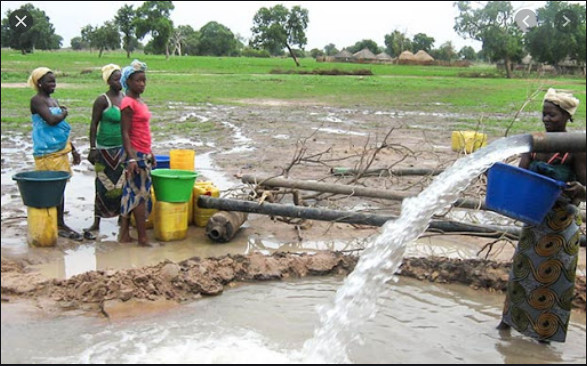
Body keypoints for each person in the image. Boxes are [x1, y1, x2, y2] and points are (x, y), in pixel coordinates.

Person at [497, 88, 586, 343]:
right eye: (544, 115)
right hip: (535, 219)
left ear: (568, 117)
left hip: (561, 224)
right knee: (521, 274)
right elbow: (520, 175)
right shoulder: (536, 143)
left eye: (553, 116)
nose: (546, 120)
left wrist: (580, 190)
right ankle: (507, 324)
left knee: (552, 281)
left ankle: (543, 337)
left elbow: (585, 188)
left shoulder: (576, 148)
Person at [28, 67, 83, 241]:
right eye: (49, 81)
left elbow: (62, 130)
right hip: (46, 152)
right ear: (39, 83)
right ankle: (49, 222)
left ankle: (59, 222)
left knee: (60, 188)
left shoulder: (53, 100)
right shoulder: (37, 101)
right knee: (49, 189)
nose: (53, 84)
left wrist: (73, 150)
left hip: (60, 151)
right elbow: (52, 121)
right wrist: (65, 112)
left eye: (54, 81)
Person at [84, 64, 124, 240]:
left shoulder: (124, 98)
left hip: (121, 149)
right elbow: (93, 124)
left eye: (121, 77)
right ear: (108, 81)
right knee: (102, 185)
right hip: (104, 149)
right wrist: (92, 148)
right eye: (115, 78)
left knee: (122, 185)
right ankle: (96, 222)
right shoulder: (102, 100)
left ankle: (122, 219)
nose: (119, 81)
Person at [118, 60, 156, 247]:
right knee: (140, 196)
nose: (142, 84)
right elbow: (125, 132)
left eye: (144, 81)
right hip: (135, 153)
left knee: (129, 193)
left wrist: (150, 152)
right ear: (128, 82)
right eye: (138, 81)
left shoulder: (138, 101)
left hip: (142, 151)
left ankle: (124, 234)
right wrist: (132, 157)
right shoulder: (127, 103)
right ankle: (142, 238)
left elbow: (144, 129)